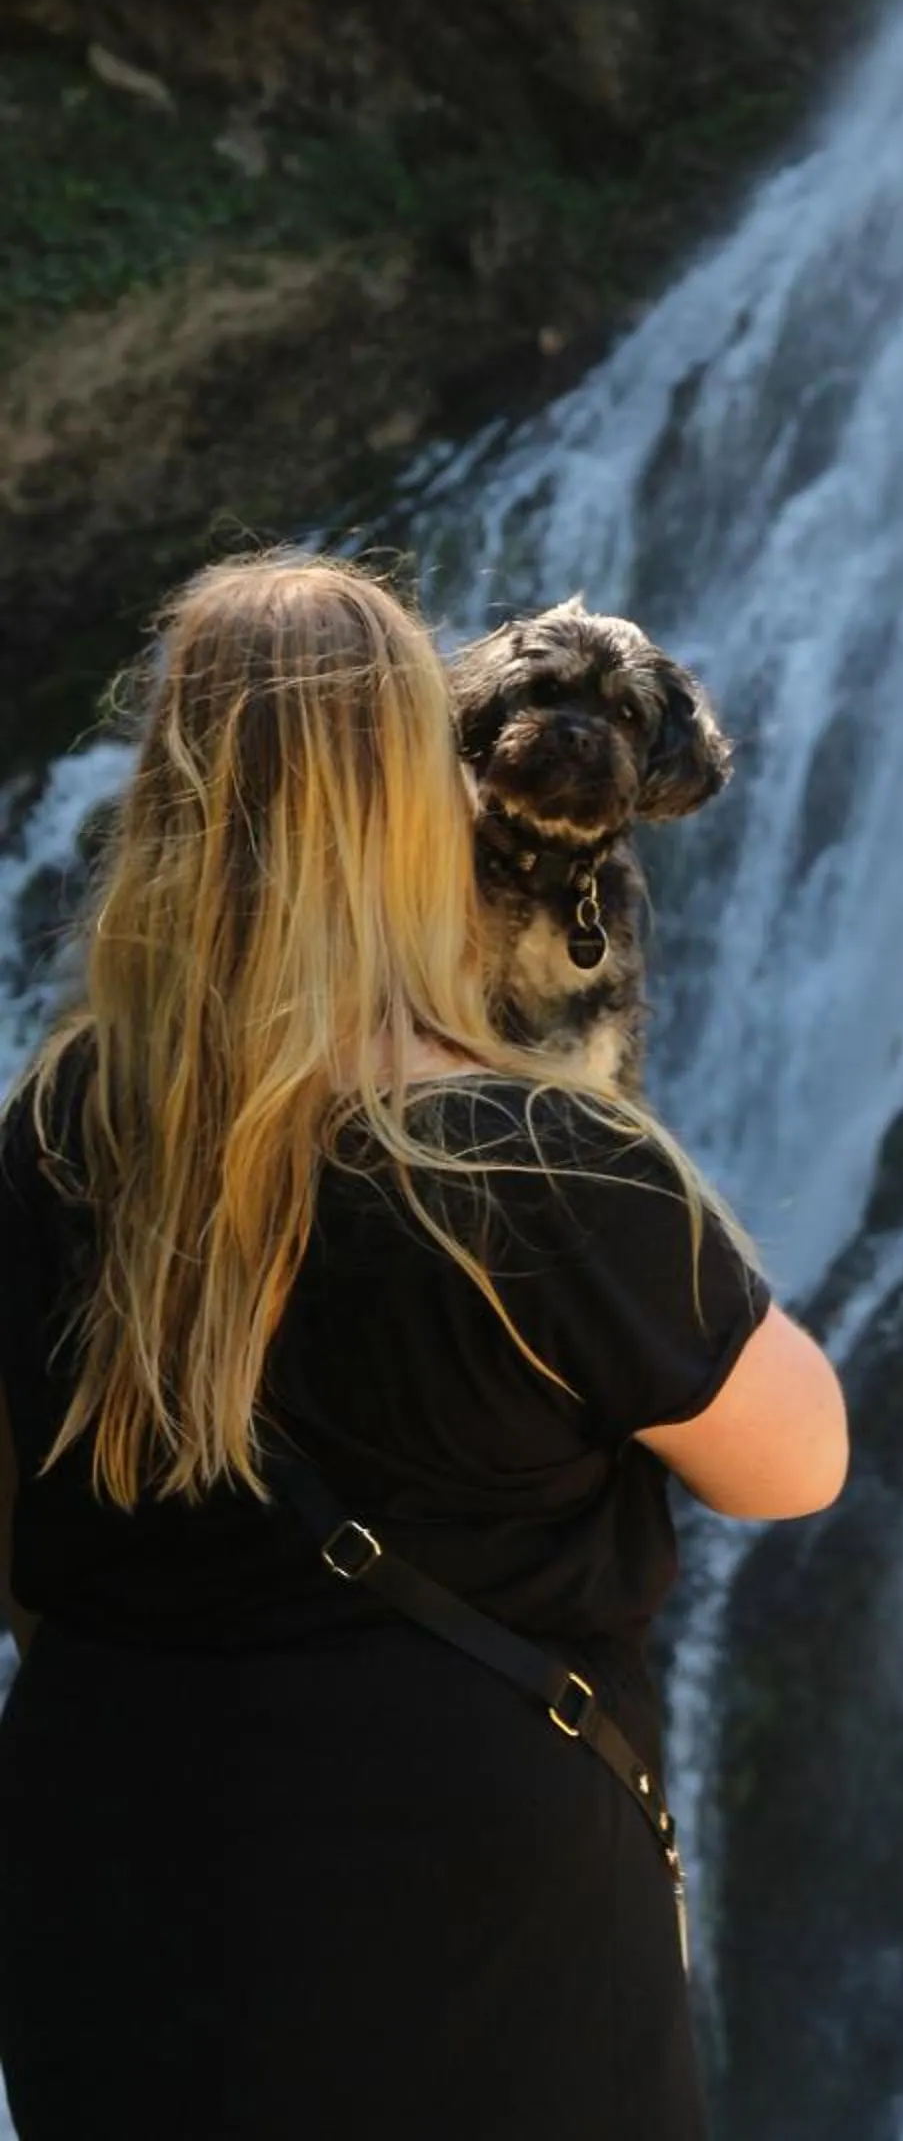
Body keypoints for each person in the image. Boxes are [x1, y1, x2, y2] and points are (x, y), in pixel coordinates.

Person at [0, 553, 846, 2141]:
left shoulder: (50, 1131)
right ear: (426, 795)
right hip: (473, 1919)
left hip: (109, 1875)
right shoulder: (532, 1159)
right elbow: (799, 1463)